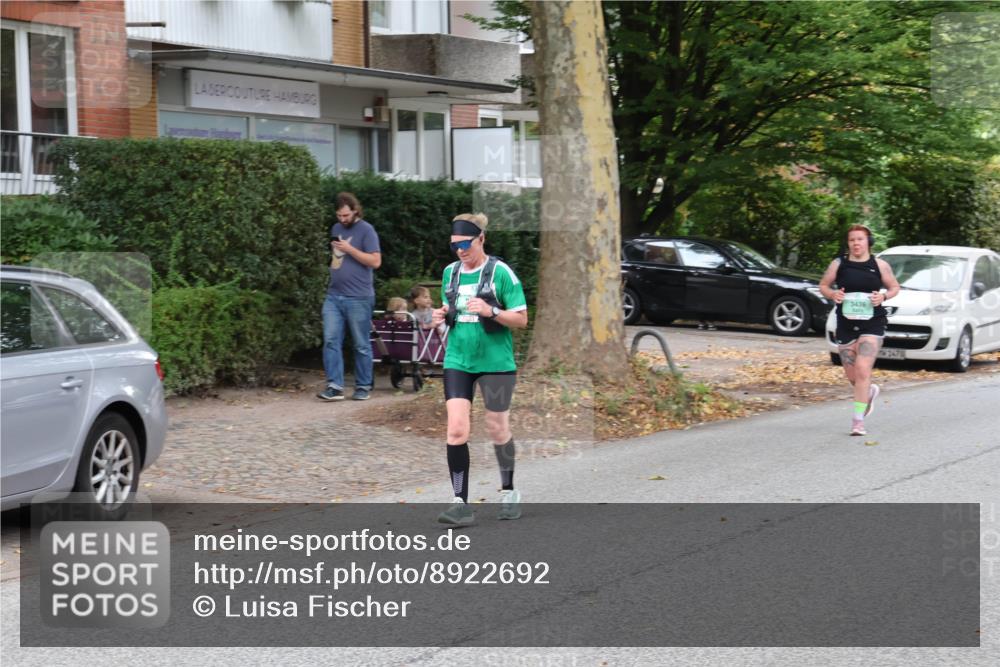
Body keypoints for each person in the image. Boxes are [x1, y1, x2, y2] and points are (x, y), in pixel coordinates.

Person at [431, 213, 529, 525]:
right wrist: (440, 317)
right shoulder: (450, 273)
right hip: (458, 359)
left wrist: (492, 310)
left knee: (497, 427)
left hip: (496, 364)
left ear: (481, 239)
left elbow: (521, 319)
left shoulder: (501, 273)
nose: (460, 250)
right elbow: (452, 314)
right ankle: (460, 502)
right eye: (454, 245)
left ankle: (510, 491)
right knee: (457, 429)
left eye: (465, 243)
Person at [819, 224, 900, 436]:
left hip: (872, 322)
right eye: (852, 240)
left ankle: (857, 421)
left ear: (868, 242)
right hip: (845, 324)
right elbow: (824, 286)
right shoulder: (839, 264)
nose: (856, 243)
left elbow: (894, 287)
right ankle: (869, 392)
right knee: (854, 377)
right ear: (848, 243)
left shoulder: (879, 265)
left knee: (863, 370)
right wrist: (832, 295)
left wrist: (882, 297)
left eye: (860, 239)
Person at [317, 192, 381, 402]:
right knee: (331, 340)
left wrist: (350, 249)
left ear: (355, 210)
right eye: (339, 216)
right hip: (334, 295)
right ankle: (335, 386)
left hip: (359, 296)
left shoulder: (366, 230)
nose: (342, 220)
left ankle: (363, 385)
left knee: (361, 343)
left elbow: (375, 261)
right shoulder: (336, 229)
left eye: (345, 215)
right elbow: (337, 257)